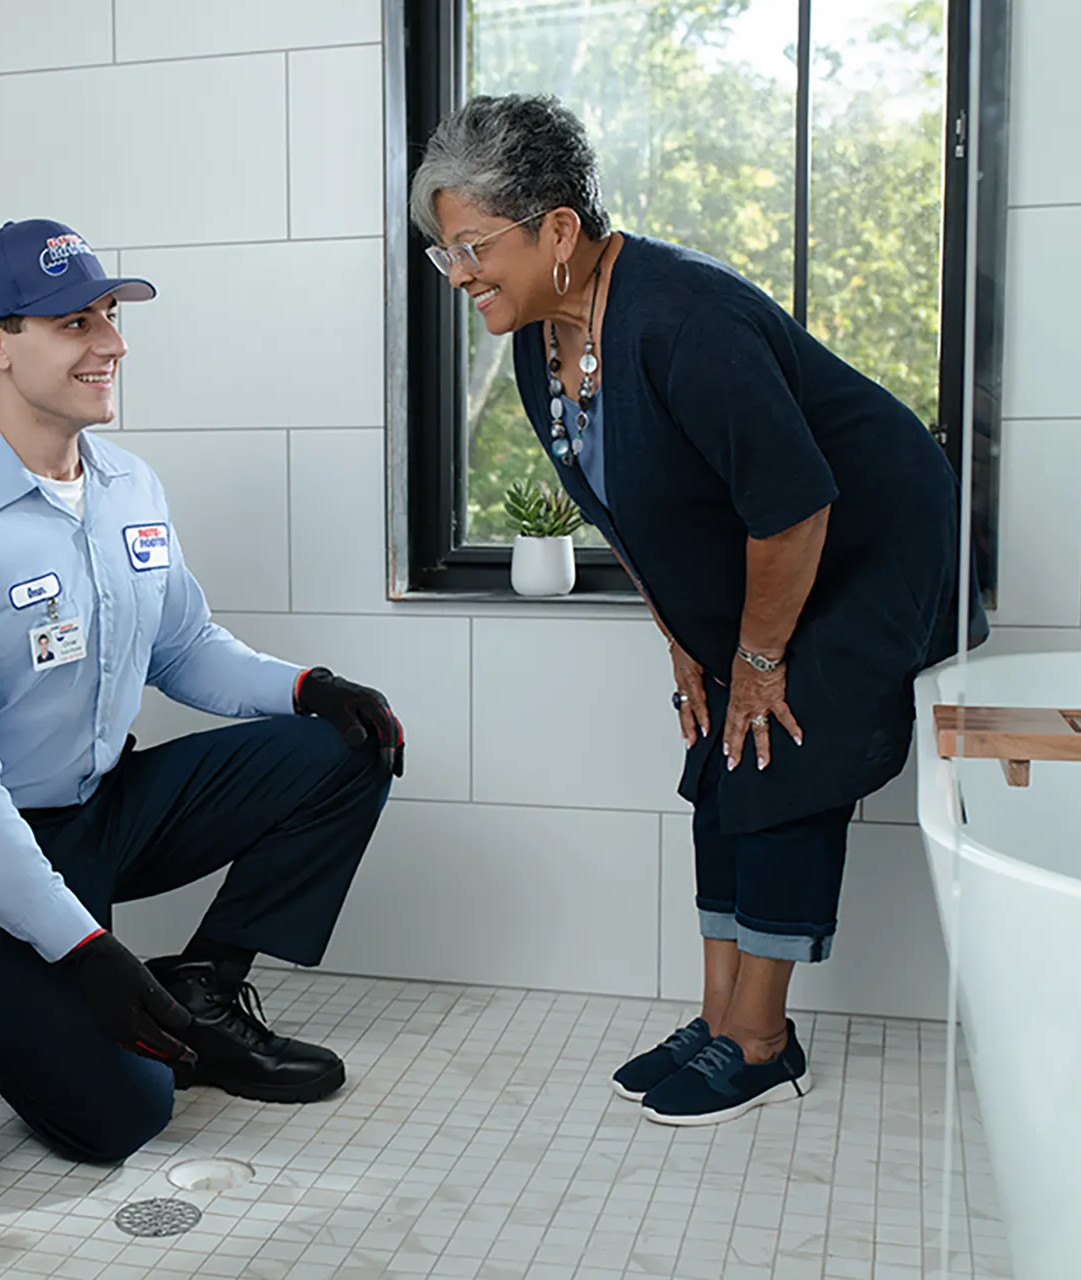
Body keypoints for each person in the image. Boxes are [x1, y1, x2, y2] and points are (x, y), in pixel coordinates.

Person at [408, 96, 986, 1127]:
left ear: (555, 229)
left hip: (868, 536)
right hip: (774, 544)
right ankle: (721, 1020)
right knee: (717, 753)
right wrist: (687, 642)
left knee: (781, 745)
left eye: (469, 247)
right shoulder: (547, 342)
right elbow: (627, 511)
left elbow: (797, 503)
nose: (457, 274)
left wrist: (759, 657)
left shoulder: (681, 316)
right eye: (441, 252)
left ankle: (763, 1040)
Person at [0, 218, 406, 1163]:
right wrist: (84, 952)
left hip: (109, 806)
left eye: (110, 314)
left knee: (346, 746)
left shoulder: (129, 487)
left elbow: (184, 647)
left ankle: (205, 985)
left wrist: (312, 687)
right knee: (120, 1117)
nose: (112, 343)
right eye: (75, 322)